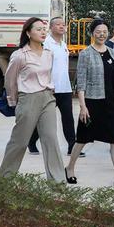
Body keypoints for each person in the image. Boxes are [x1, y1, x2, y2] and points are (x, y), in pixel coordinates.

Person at [65, 19, 114, 189]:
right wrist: (83, 106)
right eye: (98, 31)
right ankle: (70, 168)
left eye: (105, 31)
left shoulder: (112, 52)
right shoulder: (86, 54)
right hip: (92, 103)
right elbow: (82, 82)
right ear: (92, 33)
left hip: (111, 104)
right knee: (82, 139)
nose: (102, 34)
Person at [0, 17, 65, 182]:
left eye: (44, 29)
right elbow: (10, 81)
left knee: (50, 138)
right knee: (20, 141)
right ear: (28, 33)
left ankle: (57, 181)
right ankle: (5, 178)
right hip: (28, 99)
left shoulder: (49, 54)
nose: (43, 32)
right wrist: (14, 102)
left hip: (48, 98)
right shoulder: (20, 55)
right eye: (38, 29)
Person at [27, 17, 79, 157]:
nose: (62, 27)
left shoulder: (63, 44)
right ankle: (31, 141)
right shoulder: (46, 44)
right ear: (51, 27)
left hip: (65, 88)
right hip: (50, 88)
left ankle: (71, 146)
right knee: (43, 117)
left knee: (68, 118)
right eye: (58, 24)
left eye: (63, 25)